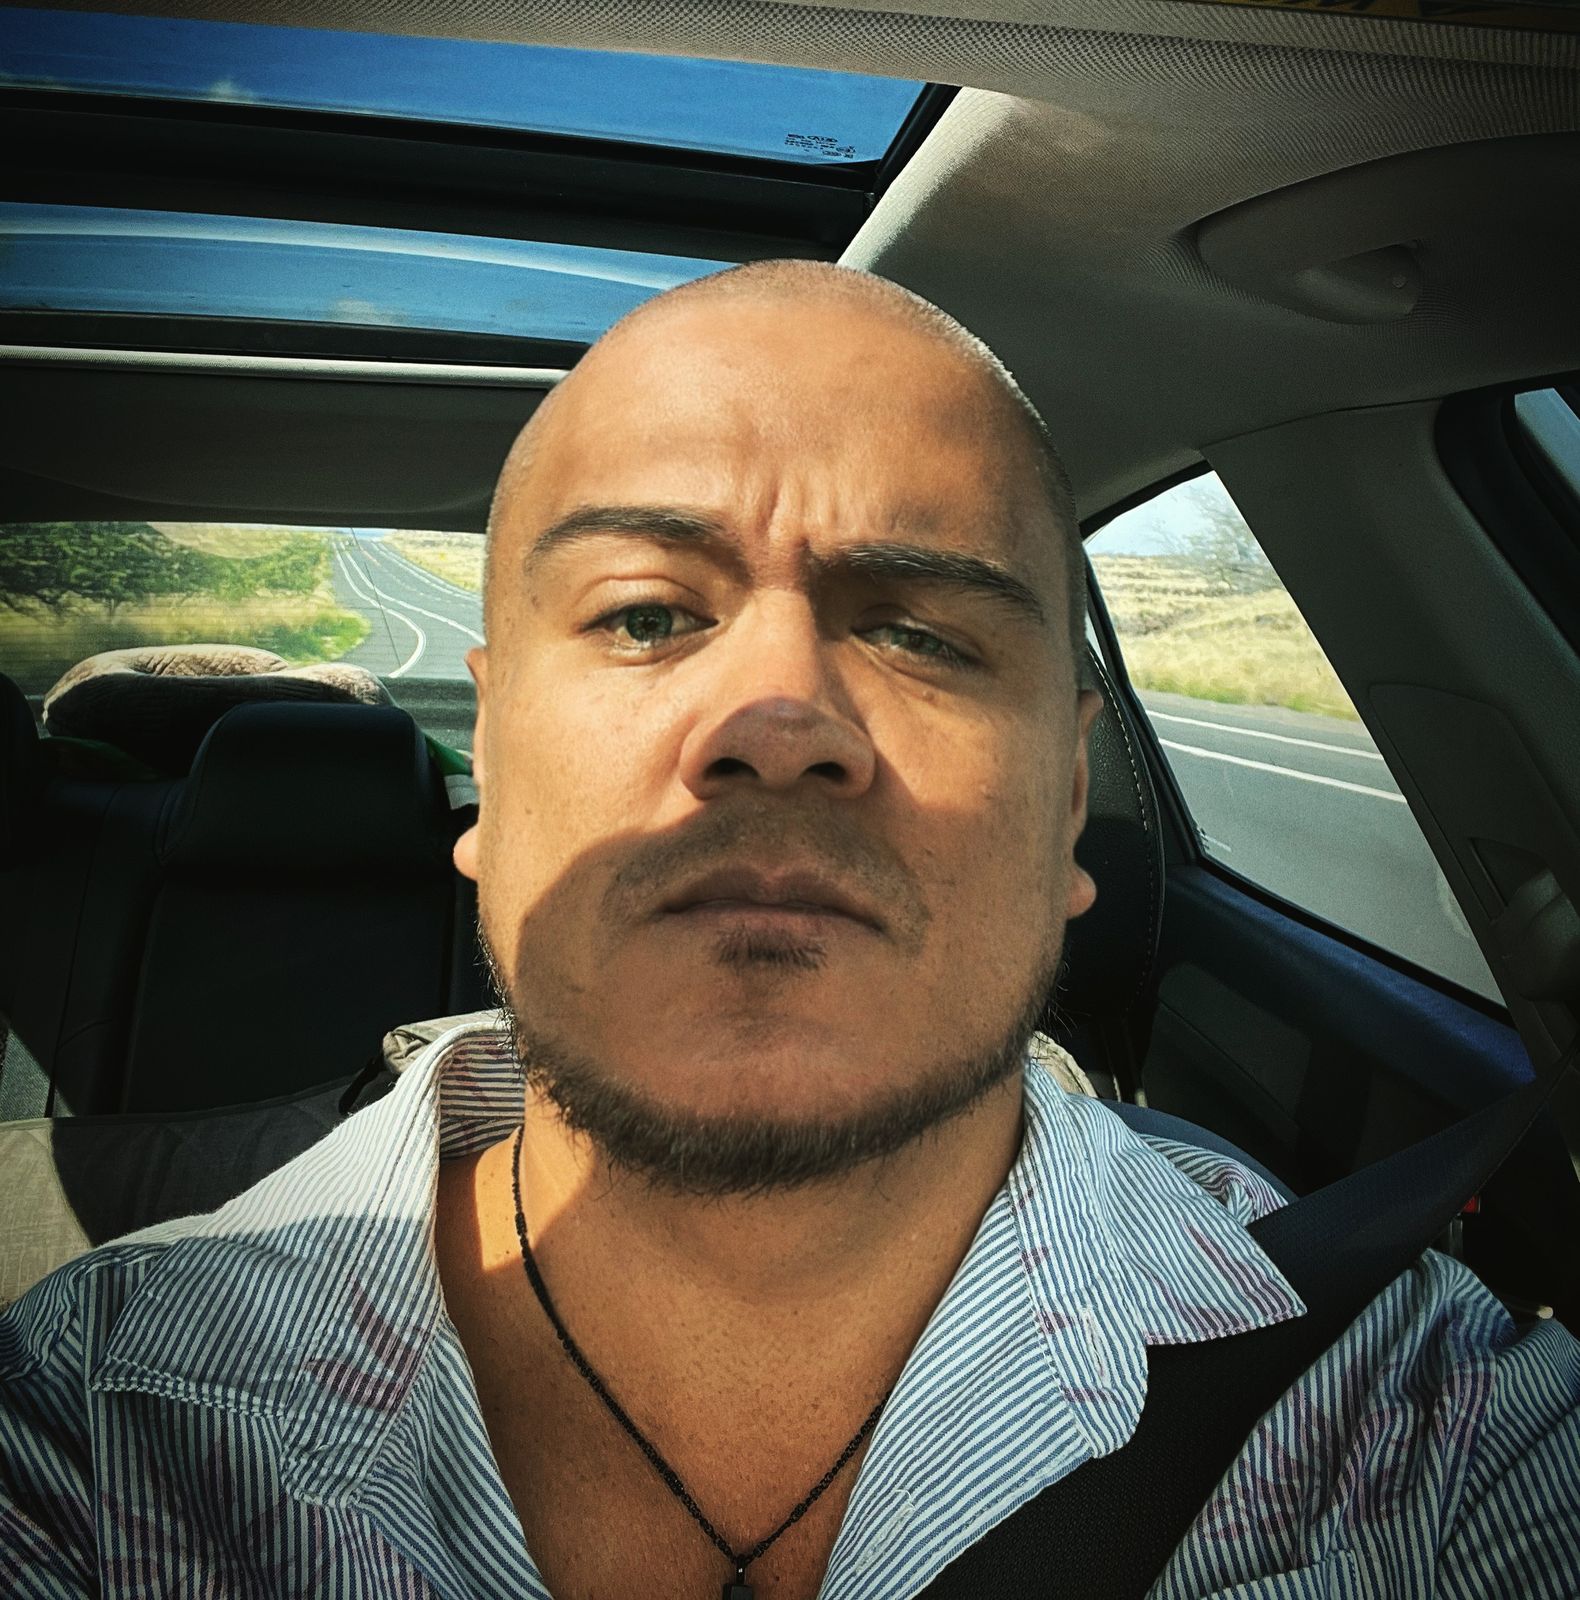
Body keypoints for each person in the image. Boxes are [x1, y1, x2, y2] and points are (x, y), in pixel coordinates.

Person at [1, 261, 1576, 1599]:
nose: (776, 720)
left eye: (921, 633)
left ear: (1065, 804)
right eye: (642, 615)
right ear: (488, 767)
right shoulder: (87, 1417)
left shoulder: (1423, 1419)